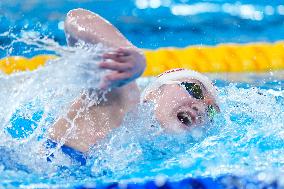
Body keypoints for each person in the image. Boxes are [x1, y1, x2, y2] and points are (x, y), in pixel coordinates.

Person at [48, 8, 220, 155]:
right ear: (154, 92)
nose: (201, 108)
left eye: (211, 111)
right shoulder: (122, 104)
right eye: (194, 90)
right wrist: (125, 51)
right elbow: (77, 18)